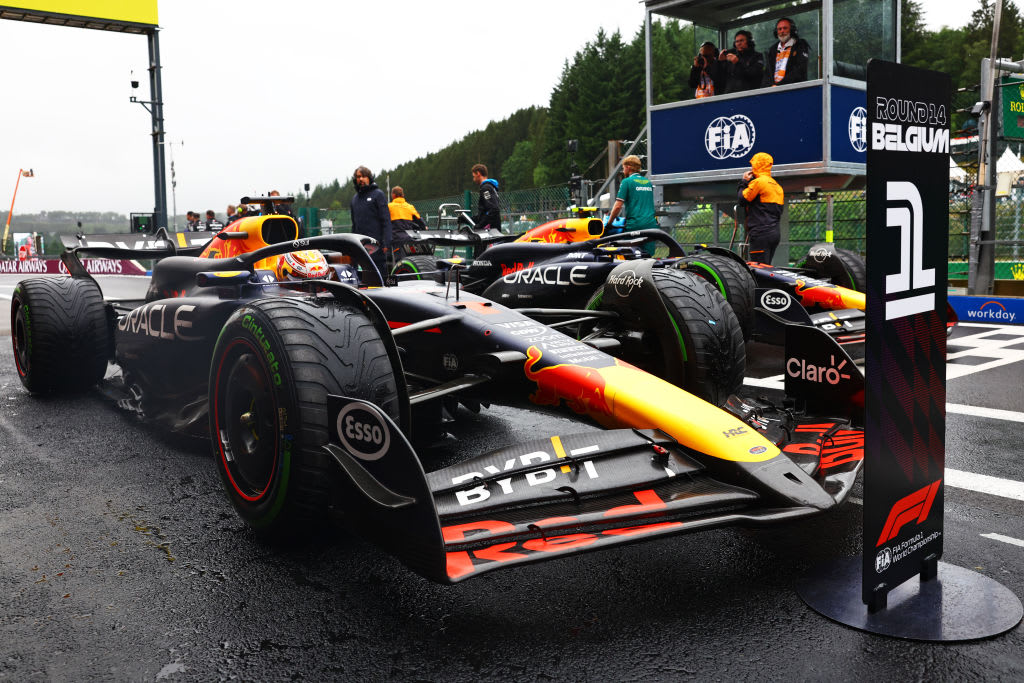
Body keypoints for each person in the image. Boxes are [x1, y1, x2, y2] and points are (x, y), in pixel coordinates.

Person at [605, 155, 659, 255]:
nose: (623, 170)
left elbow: (617, 206)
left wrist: (609, 223)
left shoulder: (626, 182)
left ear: (629, 167)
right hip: (651, 225)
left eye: (623, 167)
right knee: (648, 257)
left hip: (635, 225)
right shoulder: (648, 182)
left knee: (630, 256)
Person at [738, 152, 784, 264]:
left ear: (757, 165)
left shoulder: (758, 182)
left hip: (760, 234)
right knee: (767, 266)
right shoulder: (776, 185)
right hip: (774, 233)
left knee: (759, 269)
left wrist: (743, 182)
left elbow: (742, 199)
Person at [349, 165, 392, 274]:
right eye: (358, 177)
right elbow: (354, 225)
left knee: (379, 280)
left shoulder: (378, 194)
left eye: (364, 176)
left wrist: (387, 243)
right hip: (360, 248)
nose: (361, 179)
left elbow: (386, 220)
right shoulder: (354, 200)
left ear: (369, 178)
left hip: (377, 248)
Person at [762, 17, 811, 87]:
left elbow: (799, 70)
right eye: (779, 29)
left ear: (792, 30)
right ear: (776, 32)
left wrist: (780, 85)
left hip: (793, 89)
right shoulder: (772, 49)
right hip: (774, 90)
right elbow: (767, 74)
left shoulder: (800, 45)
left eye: (785, 28)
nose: (782, 31)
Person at [471, 164, 501, 231]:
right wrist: (467, 219)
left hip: (490, 232)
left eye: (474, 176)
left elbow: (494, 210)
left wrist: (480, 225)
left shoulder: (486, 188)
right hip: (491, 230)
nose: (473, 179)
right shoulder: (489, 187)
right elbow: (484, 213)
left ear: (478, 173)